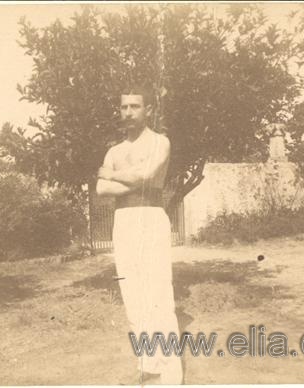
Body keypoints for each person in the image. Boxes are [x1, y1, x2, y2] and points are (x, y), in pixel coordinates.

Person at [96, 86, 183, 385]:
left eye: (135, 106)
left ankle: (171, 374)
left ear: (149, 110)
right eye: (124, 107)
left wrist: (112, 174)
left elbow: (146, 177)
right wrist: (131, 178)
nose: (129, 112)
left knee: (158, 293)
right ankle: (148, 364)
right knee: (132, 295)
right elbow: (101, 189)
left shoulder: (160, 142)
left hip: (150, 216)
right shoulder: (114, 150)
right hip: (123, 220)